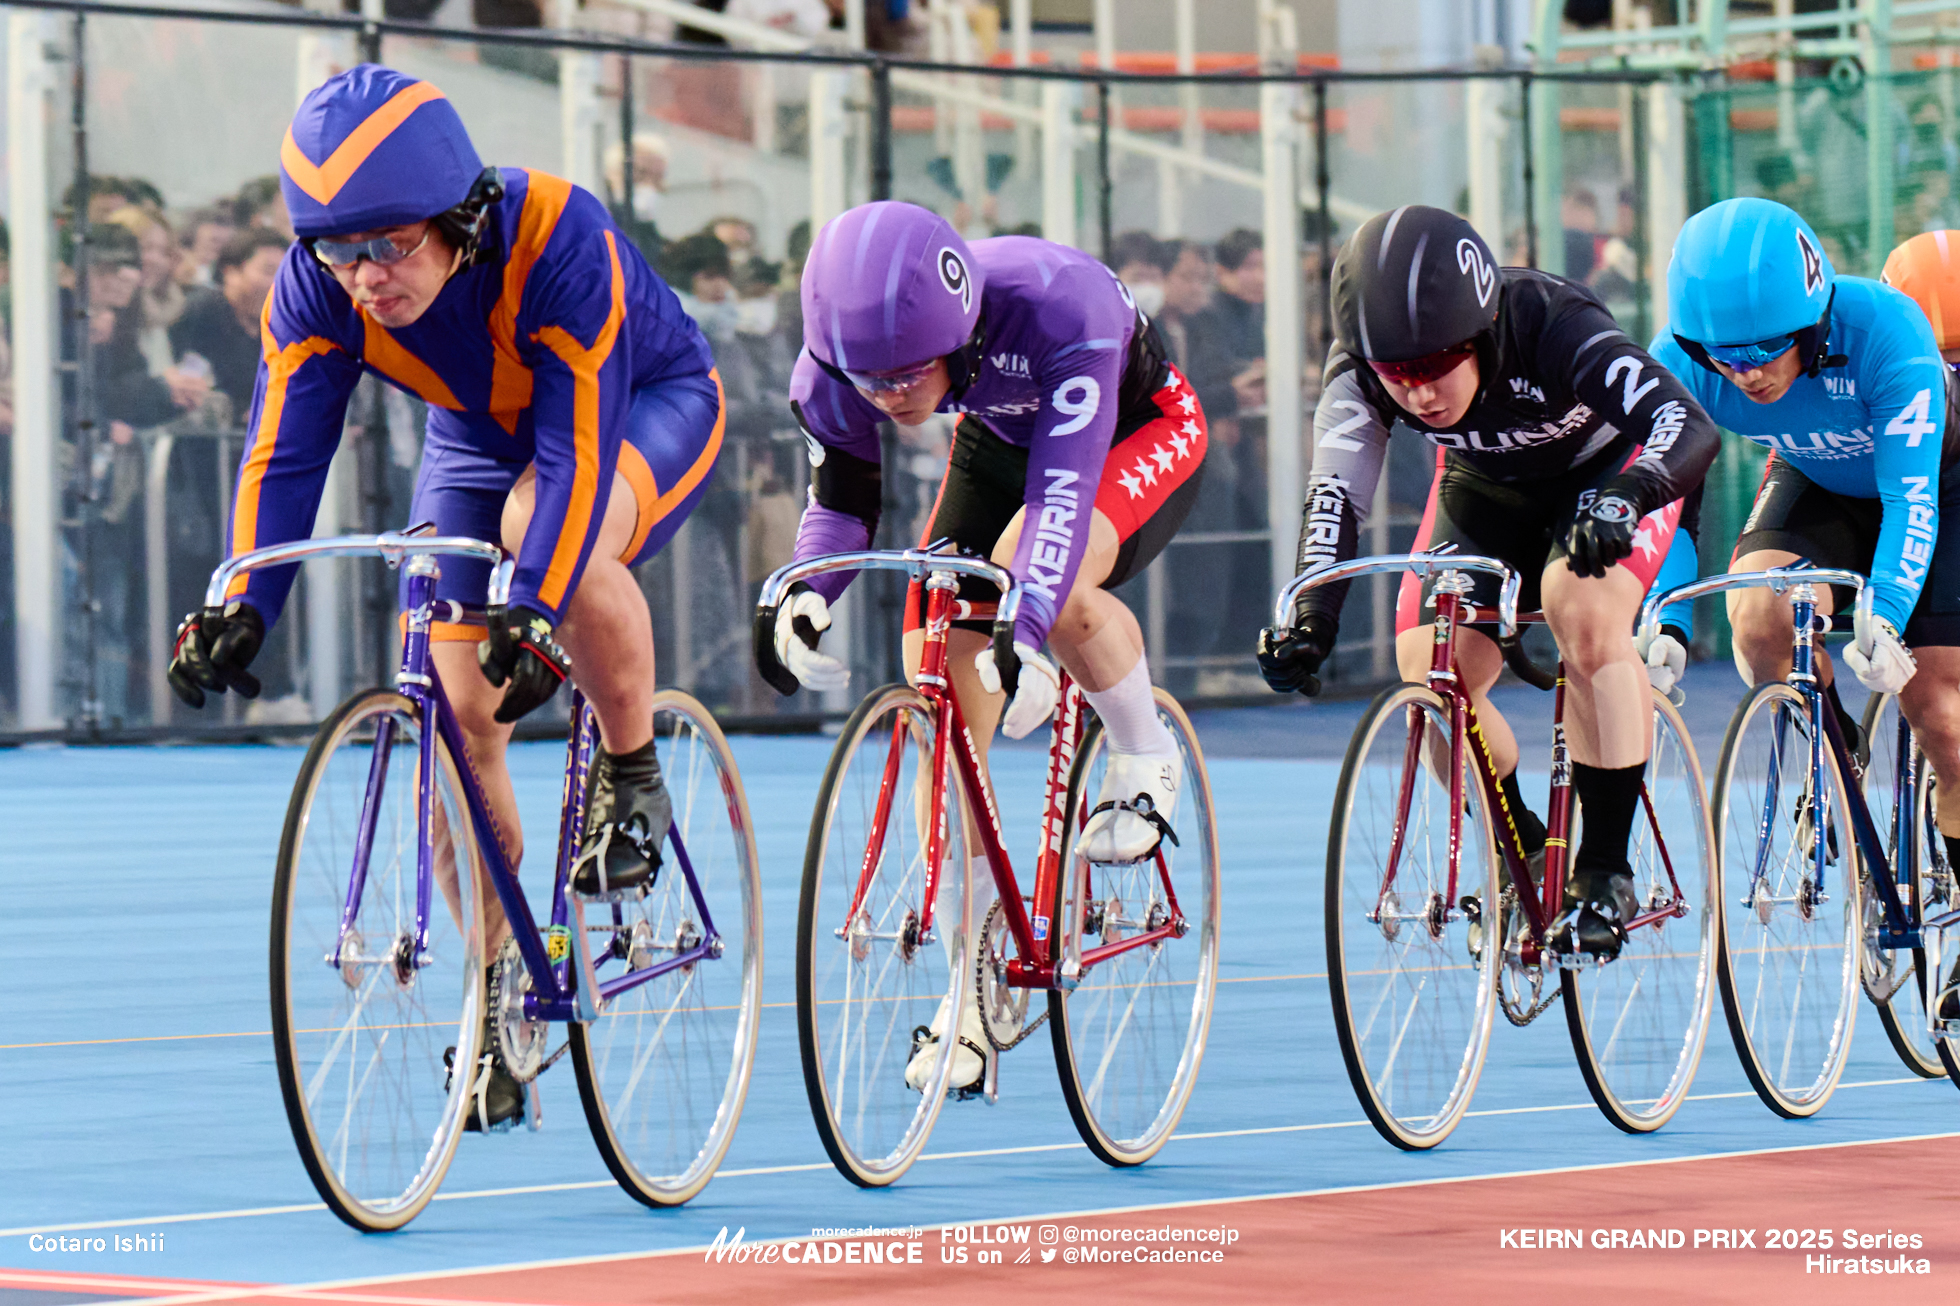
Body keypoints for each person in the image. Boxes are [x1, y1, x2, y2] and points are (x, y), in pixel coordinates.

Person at [164, 64, 724, 1131]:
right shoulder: (319, 283)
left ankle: (632, 763)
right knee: (459, 727)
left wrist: (540, 599)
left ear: (462, 218)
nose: (364, 277)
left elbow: (571, 452)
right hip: (475, 438)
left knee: (538, 533)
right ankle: (501, 981)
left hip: (643, 405)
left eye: (388, 246)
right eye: (339, 249)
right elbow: (283, 450)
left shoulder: (560, 236)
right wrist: (242, 598)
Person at [766, 200, 1207, 1094]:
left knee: (1037, 576)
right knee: (935, 660)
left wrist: (1029, 629)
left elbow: (1061, 499)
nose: (888, 397)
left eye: (905, 374)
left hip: (1132, 431)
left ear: (958, 331)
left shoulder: (1060, 306)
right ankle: (970, 978)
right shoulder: (833, 368)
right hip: (1000, 437)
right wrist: (805, 593)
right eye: (868, 380)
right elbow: (844, 500)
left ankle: (1143, 749)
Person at [1256, 205, 1721, 960]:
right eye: (1396, 377)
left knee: (1584, 612)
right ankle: (1528, 849)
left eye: (1435, 368)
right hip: (1484, 490)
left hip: (1607, 481)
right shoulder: (1361, 369)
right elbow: (1336, 494)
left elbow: (1687, 425)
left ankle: (1604, 868)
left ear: (1478, 334)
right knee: (1431, 675)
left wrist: (1627, 497)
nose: (1418, 395)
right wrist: (1312, 614)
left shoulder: (1550, 321)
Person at [1655, 202, 1960, 907]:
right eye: (1722, 358)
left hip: (1934, 481)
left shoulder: (1886, 333)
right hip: (1815, 478)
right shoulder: (1681, 360)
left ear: (1813, 319)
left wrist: (1885, 611)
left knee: (1938, 707)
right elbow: (1665, 500)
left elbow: (1910, 499)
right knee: (1759, 621)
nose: (1747, 375)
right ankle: (1837, 750)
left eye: (1765, 350)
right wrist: (1664, 615)